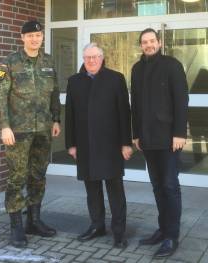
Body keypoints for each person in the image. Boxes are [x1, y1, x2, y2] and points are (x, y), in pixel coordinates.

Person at [0, 20, 61, 248]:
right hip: (18, 132)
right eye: (30, 35)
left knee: (38, 175)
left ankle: (34, 220)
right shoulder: (9, 63)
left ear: (42, 37)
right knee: (17, 178)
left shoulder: (49, 61)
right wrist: (4, 126)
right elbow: (0, 97)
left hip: (43, 129)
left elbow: (55, 93)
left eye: (38, 35)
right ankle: (16, 227)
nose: (35, 39)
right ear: (22, 38)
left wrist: (56, 119)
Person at [65, 43, 132, 249]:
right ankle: (97, 225)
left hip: (111, 145)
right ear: (83, 59)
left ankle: (119, 232)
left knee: (115, 190)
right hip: (85, 145)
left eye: (95, 57)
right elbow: (70, 115)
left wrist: (126, 143)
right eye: (87, 58)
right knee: (92, 189)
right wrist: (71, 145)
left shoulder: (115, 78)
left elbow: (124, 113)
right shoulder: (74, 81)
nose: (91, 61)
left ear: (102, 58)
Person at [131, 28, 189, 258]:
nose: (149, 45)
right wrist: (136, 134)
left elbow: (182, 101)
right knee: (157, 186)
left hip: (168, 139)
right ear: (141, 45)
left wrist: (179, 133)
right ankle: (162, 229)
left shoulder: (172, 65)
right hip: (147, 138)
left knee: (170, 186)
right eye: (144, 42)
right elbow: (134, 103)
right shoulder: (137, 69)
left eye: (152, 41)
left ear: (159, 42)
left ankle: (172, 236)